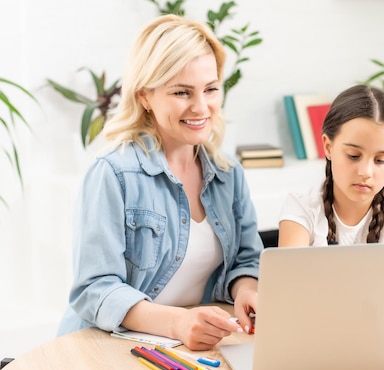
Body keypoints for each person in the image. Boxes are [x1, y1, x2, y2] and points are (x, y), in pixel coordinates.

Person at [57, 14, 262, 350]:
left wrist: (247, 291)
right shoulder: (113, 173)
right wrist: (178, 322)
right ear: (145, 97)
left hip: (192, 350)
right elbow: (94, 288)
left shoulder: (228, 173)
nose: (201, 107)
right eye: (182, 92)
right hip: (106, 348)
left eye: (210, 89)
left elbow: (245, 259)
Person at [278, 85, 384, 246]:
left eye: (381, 160)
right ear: (328, 147)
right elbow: (291, 272)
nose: (365, 172)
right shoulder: (302, 207)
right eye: (353, 156)